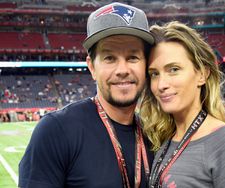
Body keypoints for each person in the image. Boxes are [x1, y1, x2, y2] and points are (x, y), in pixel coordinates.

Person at [19, 2, 155, 188]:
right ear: (91, 66)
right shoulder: (56, 131)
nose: (122, 70)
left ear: (146, 64)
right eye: (109, 58)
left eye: (133, 57)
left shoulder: (155, 136)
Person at [140, 21, 225, 188]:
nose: (161, 85)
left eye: (174, 69)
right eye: (154, 74)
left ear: (202, 75)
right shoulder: (164, 139)